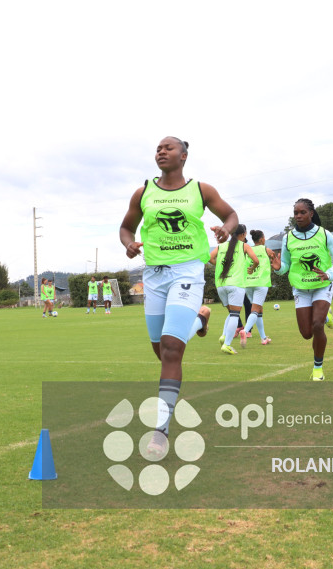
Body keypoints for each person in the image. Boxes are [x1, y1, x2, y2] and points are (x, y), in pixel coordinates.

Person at [119, 136, 236, 456]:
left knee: (172, 349)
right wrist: (128, 244)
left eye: (168, 148)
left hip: (187, 272)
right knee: (162, 351)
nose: (161, 151)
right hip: (154, 276)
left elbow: (231, 215)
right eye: (158, 148)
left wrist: (225, 229)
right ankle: (200, 320)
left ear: (184, 156)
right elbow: (126, 227)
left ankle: (160, 431)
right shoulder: (143, 192)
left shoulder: (201, 191)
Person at [274, 198, 333, 381]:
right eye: (295, 213)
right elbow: (285, 266)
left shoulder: (324, 234)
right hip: (300, 288)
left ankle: (318, 369)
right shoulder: (287, 238)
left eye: (302, 212)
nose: (298, 216)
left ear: (311, 213)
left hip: (322, 285)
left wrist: (329, 274)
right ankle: (326, 315)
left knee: (317, 325)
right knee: (306, 333)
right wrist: (277, 267)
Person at [209, 224, 259, 353]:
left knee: (231, 313)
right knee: (235, 315)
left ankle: (224, 335)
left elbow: (209, 258)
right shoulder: (244, 245)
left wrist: (218, 266)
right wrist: (252, 268)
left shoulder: (221, 246)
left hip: (221, 284)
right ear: (243, 234)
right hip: (235, 284)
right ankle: (227, 344)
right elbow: (256, 260)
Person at [242, 229, 280, 344]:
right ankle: (245, 330)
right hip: (261, 283)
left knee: (258, 309)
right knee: (255, 309)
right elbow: (274, 262)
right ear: (262, 239)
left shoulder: (248, 250)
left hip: (248, 283)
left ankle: (263, 338)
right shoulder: (266, 249)